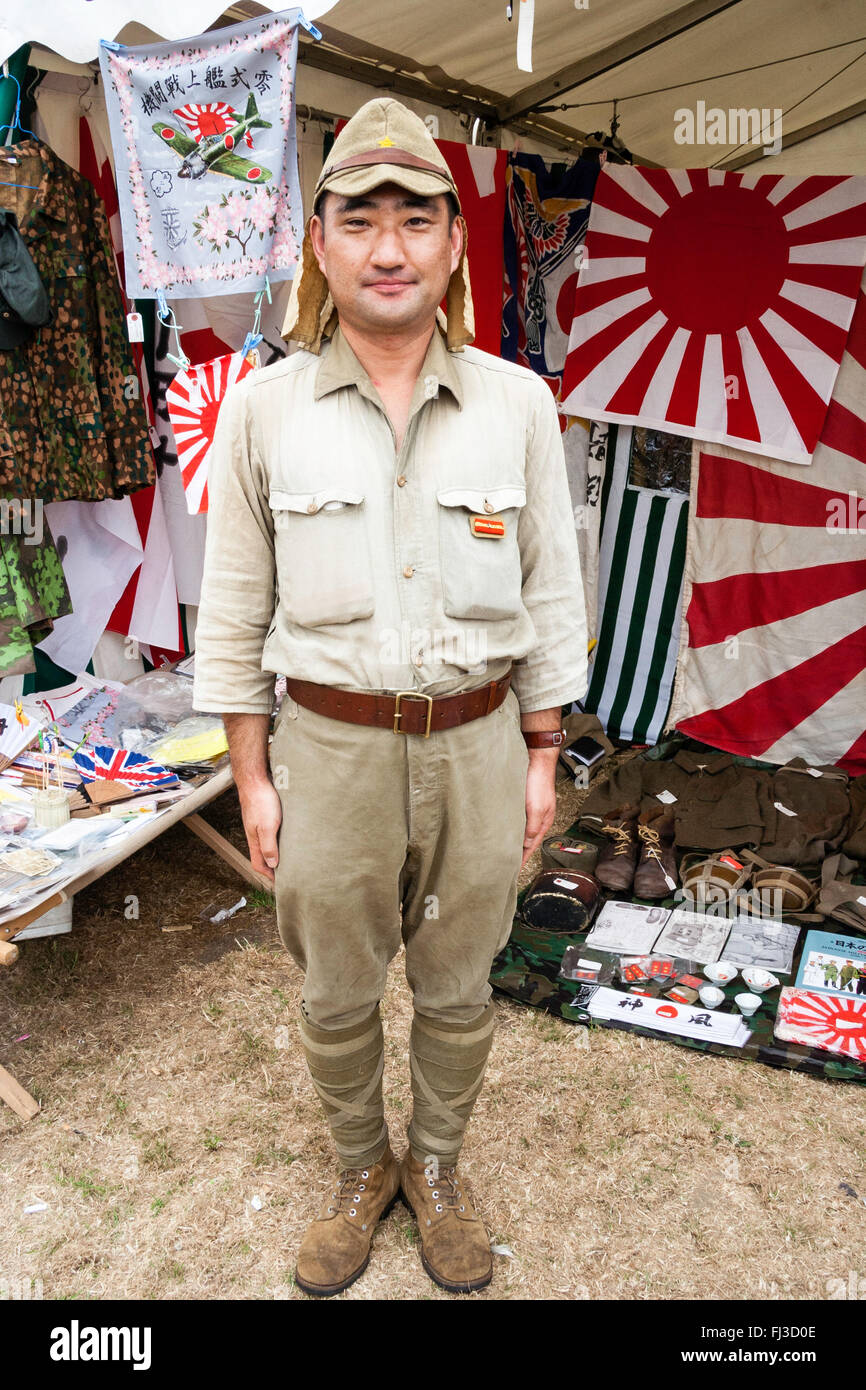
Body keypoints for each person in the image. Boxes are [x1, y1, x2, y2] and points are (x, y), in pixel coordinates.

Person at [193, 98, 587, 1297]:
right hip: (332, 750)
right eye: (358, 221)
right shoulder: (262, 409)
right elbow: (234, 609)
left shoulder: (517, 404)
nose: (387, 248)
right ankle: (363, 1166)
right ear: (318, 244)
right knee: (334, 989)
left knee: (460, 985)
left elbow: (550, 589)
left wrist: (541, 753)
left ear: (454, 244)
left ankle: (438, 1164)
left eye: (415, 220)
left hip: (477, 746)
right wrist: (253, 780)